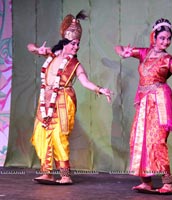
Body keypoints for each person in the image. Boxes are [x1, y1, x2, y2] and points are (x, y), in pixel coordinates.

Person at [114, 18, 172, 194]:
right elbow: (118, 48)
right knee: (140, 140)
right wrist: (123, 52)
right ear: (154, 37)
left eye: (168, 38)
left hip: (160, 102)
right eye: (162, 38)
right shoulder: (144, 53)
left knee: (157, 141)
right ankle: (146, 182)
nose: (166, 42)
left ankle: (168, 184)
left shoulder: (169, 59)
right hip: (144, 103)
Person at [27, 10, 112, 185]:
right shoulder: (52, 55)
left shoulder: (75, 64)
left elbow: (85, 82)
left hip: (63, 102)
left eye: (78, 44)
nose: (76, 47)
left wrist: (100, 89)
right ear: (64, 43)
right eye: (73, 44)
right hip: (45, 100)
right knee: (42, 133)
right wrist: (37, 49)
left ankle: (65, 175)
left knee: (59, 135)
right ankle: (47, 173)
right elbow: (29, 47)